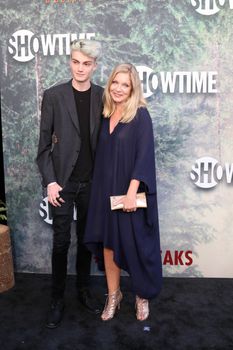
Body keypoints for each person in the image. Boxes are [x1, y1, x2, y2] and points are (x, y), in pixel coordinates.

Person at [84, 63, 162, 322]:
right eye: (115, 82)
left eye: (125, 84)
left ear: (133, 88)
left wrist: (131, 192)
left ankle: (142, 296)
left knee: (134, 246)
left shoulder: (140, 115)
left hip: (129, 194)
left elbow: (144, 157)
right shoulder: (105, 113)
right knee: (108, 246)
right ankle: (113, 295)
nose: (118, 88)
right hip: (104, 192)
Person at [36, 39, 103, 328]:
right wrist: (50, 182)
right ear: (69, 62)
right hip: (62, 185)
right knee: (61, 242)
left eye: (86, 63)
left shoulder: (103, 96)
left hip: (93, 184)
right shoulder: (53, 96)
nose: (80, 68)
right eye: (76, 62)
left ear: (94, 66)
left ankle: (84, 291)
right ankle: (57, 299)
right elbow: (42, 149)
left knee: (87, 242)